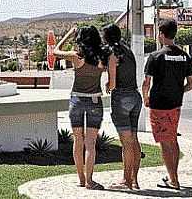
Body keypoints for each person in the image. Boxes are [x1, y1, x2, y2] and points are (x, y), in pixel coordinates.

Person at [142, 20, 192, 190]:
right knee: (172, 139)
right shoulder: (184, 56)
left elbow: (146, 82)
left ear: (162, 34)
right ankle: (174, 176)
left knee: (165, 142)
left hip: (159, 105)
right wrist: (179, 92)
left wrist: (146, 98)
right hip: (175, 104)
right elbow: (191, 83)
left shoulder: (155, 56)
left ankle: (173, 180)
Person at [54, 26, 106, 190]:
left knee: (78, 141)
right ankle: (90, 180)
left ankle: (81, 179)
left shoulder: (76, 56)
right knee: (90, 144)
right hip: (95, 101)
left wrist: (69, 34)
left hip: (76, 100)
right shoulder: (101, 57)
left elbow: (55, 51)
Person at [102, 24, 142, 190]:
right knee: (134, 140)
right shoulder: (128, 50)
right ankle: (134, 179)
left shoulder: (112, 53)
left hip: (121, 97)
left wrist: (108, 85)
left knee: (126, 143)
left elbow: (112, 82)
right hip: (135, 96)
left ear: (108, 37)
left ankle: (126, 181)